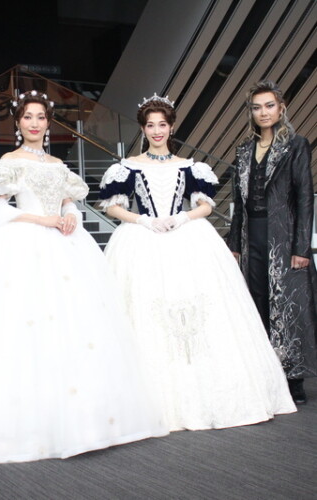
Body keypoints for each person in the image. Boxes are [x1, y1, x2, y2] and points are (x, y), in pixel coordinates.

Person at [0, 90, 168, 463]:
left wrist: (70, 213)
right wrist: (43, 219)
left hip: (66, 244)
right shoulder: (10, 162)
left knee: (79, 327)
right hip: (26, 244)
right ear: (18, 122)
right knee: (28, 326)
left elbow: (70, 199)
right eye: (28, 117)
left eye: (41, 117)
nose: (35, 123)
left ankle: (85, 419)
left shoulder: (58, 165)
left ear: (48, 122)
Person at [98, 94, 296, 432]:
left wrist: (183, 217)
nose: (157, 131)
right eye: (150, 125)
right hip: (142, 238)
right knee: (144, 309)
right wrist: (143, 220)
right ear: (143, 129)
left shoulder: (190, 166)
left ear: (171, 127)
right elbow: (113, 207)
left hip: (187, 236)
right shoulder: (127, 167)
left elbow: (205, 205)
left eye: (162, 124)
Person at [228, 80, 317, 404]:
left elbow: (305, 198)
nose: (263, 112)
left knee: (289, 306)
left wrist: (301, 247)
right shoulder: (243, 150)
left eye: (269, 106)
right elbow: (238, 202)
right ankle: (265, 374)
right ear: (251, 112)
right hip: (251, 234)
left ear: (281, 108)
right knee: (258, 303)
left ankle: (293, 378)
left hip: (283, 235)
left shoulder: (296, 145)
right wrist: (234, 245)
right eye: (257, 107)